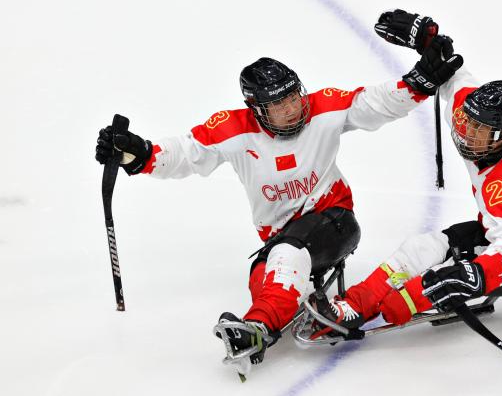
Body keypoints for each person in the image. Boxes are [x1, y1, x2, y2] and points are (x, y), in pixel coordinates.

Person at [94, 29, 463, 368]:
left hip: (334, 220)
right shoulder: (232, 130)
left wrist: (420, 81)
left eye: (293, 96)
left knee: (286, 256)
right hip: (281, 239)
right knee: (262, 276)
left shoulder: (323, 109)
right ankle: (272, 316)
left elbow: (374, 102)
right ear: (256, 109)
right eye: (279, 104)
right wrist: (137, 153)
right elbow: (184, 153)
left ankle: (258, 329)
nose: (291, 108)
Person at [309, 9, 502, 333]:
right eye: (469, 120)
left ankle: (372, 305)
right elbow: (453, 74)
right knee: (421, 250)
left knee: (426, 279)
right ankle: (356, 304)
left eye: (480, 129)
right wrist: (428, 40)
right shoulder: (473, 118)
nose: (466, 132)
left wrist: (449, 282)